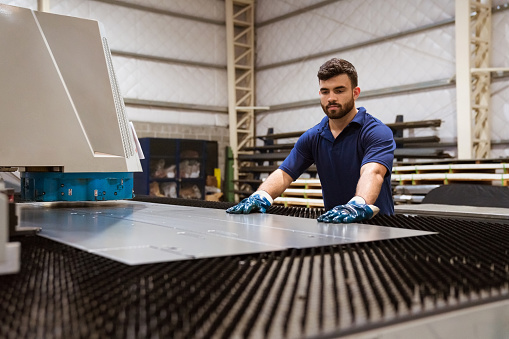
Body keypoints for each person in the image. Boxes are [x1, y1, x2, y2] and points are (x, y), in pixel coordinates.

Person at [227, 58, 396, 223]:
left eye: (339, 90)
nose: (331, 98)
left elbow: (372, 172)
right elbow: (285, 174)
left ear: (355, 93)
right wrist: (261, 196)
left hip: (378, 228)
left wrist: (359, 203)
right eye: (325, 91)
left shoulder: (376, 132)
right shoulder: (313, 136)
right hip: (335, 225)